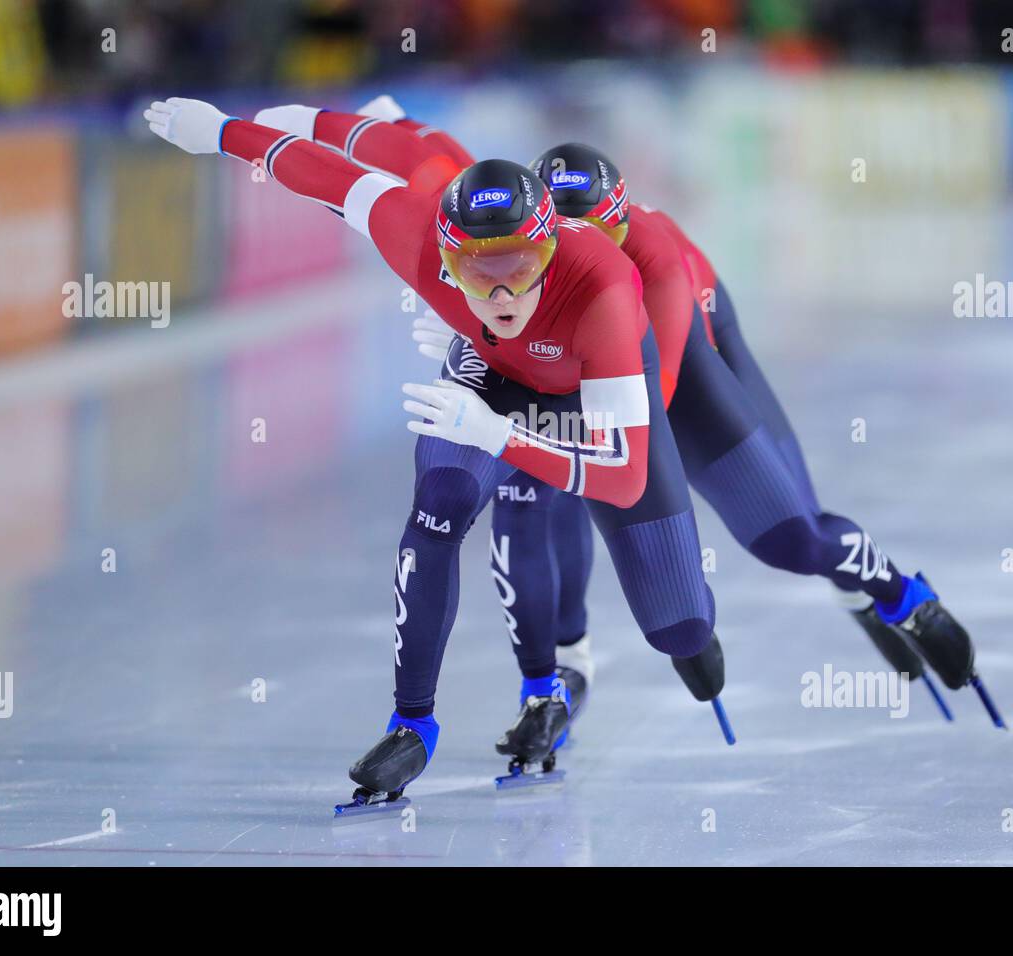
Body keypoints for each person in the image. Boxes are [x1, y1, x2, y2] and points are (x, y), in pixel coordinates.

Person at [273, 99, 991, 729]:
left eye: (600, 244)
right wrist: (482, 330)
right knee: (536, 496)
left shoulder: (648, 264)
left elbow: (649, 411)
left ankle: (893, 591)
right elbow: (425, 176)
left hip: (691, 370)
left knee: (794, 539)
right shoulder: (519, 244)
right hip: (591, 374)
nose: (576, 270)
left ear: (620, 231)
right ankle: (564, 661)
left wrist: (511, 369)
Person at [143, 97, 729, 809]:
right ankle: (413, 723)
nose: (505, 289)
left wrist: (504, 435)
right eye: (480, 273)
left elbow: (624, 476)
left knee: (681, 628)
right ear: (446, 262)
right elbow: (322, 177)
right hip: (494, 375)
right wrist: (225, 135)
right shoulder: (414, 236)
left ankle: (653, 637)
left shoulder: (601, 285)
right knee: (443, 501)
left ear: (550, 247)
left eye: (522, 263)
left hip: (587, 380)